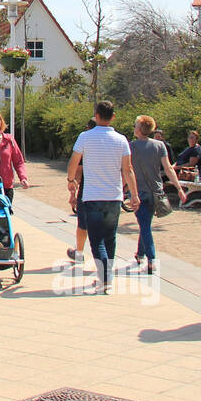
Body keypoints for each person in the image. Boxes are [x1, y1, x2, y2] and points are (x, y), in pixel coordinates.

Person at [67, 101, 140, 294]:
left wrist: (71, 181)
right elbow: (128, 168)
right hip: (114, 196)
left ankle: (105, 278)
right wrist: (134, 194)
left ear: (96, 115)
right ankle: (106, 277)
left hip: (92, 195)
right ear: (113, 117)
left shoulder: (85, 137)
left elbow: (74, 161)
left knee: (97, 239)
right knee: (110, 238)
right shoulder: (122, 140)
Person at [129, 116, 189, 274]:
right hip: (156, 191)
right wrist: (179, 188)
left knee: (145, 225)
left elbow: (126, 171)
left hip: (138, 191)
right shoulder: (159, 145)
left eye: (136, 125)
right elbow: (168, 168)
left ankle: (151, 259)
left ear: (140, 129)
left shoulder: (131, 147)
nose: (134, 127)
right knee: (145, 224)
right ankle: (140, 254)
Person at [66, 118, 96, 264]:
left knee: (83, 224)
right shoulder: (114, 141)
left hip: (87, 189)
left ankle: (79, 252)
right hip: (108, 191)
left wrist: (73, 191)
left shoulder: (85, 140)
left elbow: (77, 168)